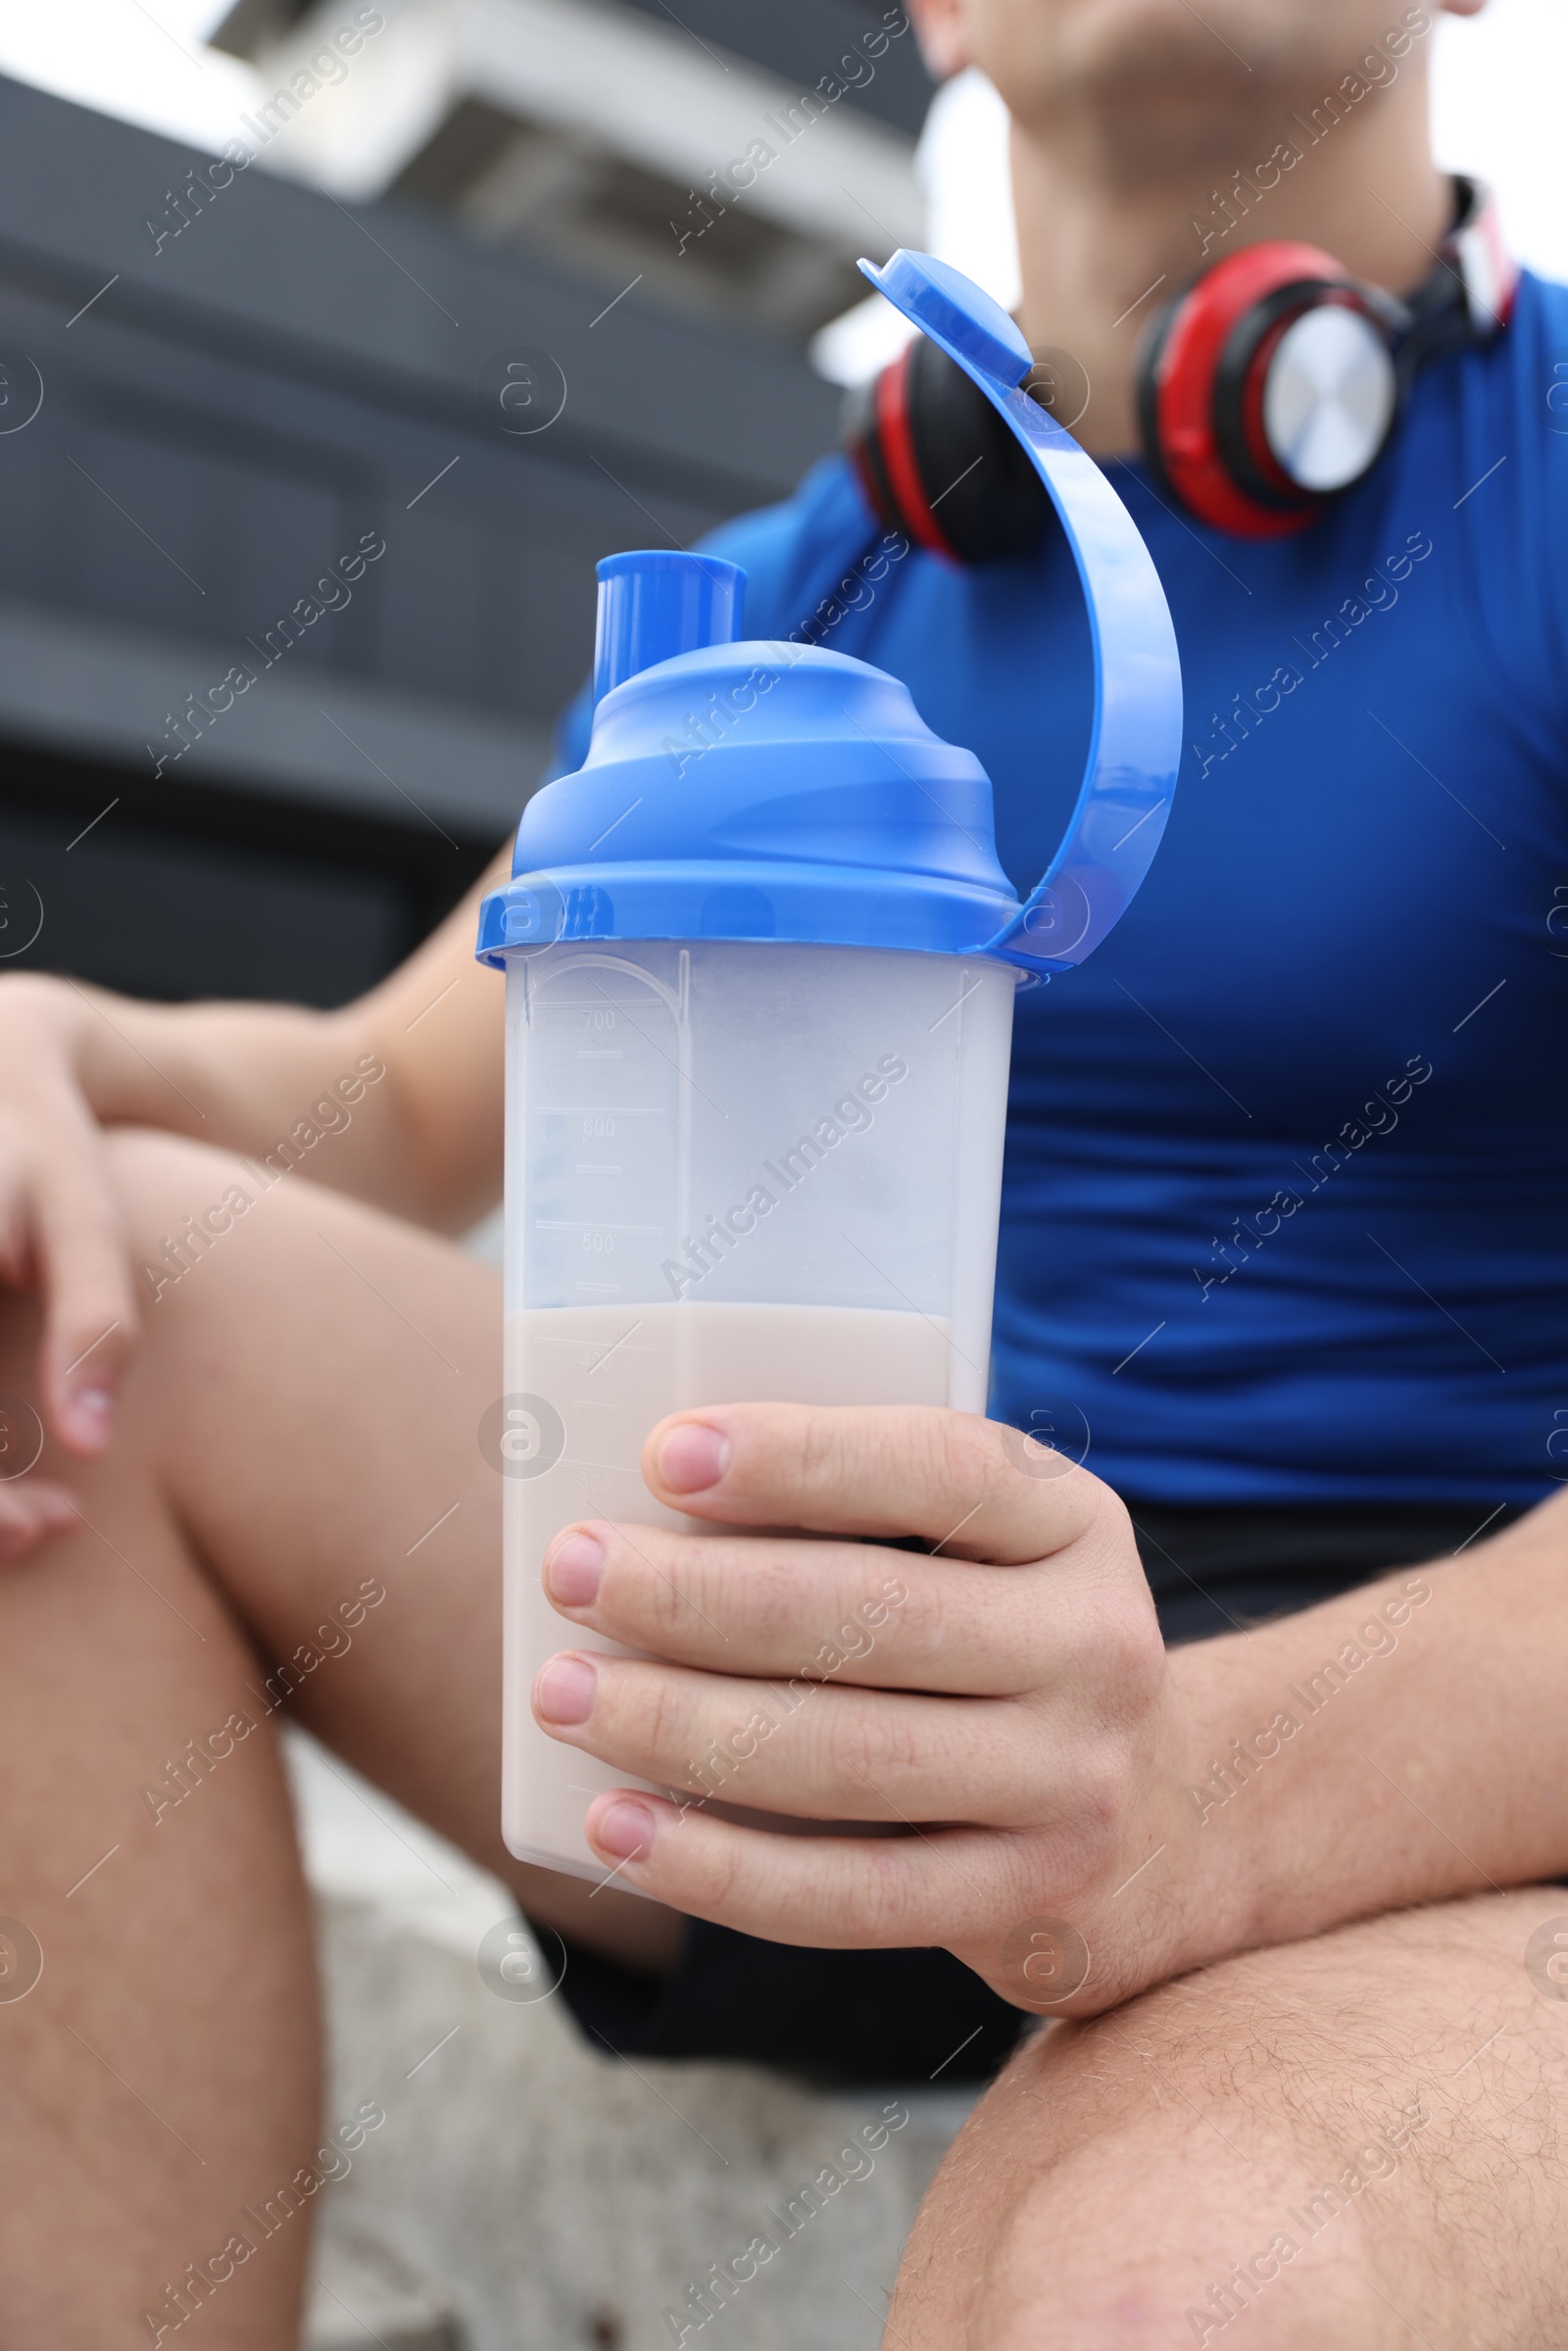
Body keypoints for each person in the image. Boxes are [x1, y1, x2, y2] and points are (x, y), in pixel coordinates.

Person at [0, 0, 1565, 2338]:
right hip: (835, 1649)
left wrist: (1190, 1792)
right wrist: (58, 1041)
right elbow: (392, 1100)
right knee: (59, 1293)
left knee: (1185, 2275)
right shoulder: (807, 598)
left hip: (1432, 1743)